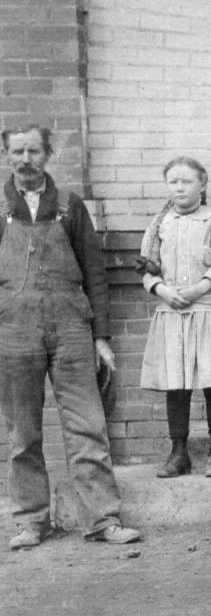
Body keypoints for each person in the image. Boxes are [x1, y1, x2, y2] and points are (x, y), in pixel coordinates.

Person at [0, 124, 141, 548]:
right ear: (6, 156)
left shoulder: (69, 206)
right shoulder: (0, 207)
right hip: (14, 331)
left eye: (34, 151)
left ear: (48, 154)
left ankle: (102, 520)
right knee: (22, 433)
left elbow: (95, 272)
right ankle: (31, 521)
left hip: (72, 329)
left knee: (88, 427)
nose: (26, 160)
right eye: (17, 152)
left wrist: (101, 336)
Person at [139, 156, 211, 479]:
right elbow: (146, 266)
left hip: (207, 310)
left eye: (187, 181)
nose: (180, 188)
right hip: (172, 312)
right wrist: (161, 289)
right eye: (174, 182)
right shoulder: (159, 223)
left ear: (203, 184)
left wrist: (199, 288)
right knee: (176, 384)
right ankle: (179, 452)